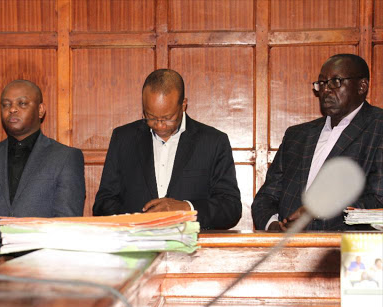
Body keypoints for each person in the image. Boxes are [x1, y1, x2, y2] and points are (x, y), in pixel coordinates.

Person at [0, 80, 85, 271]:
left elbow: (66, 222)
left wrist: (23, 264)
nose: (12, 110)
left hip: (43, 274)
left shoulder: (66, 157)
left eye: (22, 103)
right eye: (6, 104)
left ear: (41, 110)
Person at [93, 69, 242, 229]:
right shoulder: (123, 139)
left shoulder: (213, 141)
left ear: (183, 105)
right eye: (150, 117)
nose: (159, 125)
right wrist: (138, 221)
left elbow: (230, 207)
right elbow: (103, 203)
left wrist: (186, 209)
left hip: (193, 249)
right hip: (137, 246)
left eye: (167, 118)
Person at [252, 54, 383, 231]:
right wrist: (272, 225)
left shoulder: (378, 128)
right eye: (321, 83)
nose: (326, 90)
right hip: (287, 251)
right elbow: (266, 197)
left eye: (336, 81)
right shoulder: (296, 136)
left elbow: (377, 201)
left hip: (343, 250)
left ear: (362, 86)